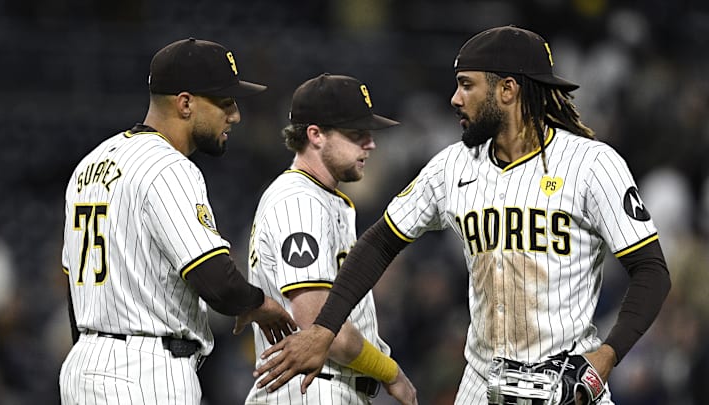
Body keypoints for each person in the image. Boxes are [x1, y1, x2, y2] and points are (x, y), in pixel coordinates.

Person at [252, 26, 672, 404]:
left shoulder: (591, 164)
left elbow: (651, 270)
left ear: (507, 90)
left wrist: (607, 356)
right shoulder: (453, 165)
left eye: (467, 85)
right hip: (481, 385)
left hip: (568, 383)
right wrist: (325, 329)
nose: (455, 98)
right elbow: (380, 241)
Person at [59, 37, 297, 405]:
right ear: (185, 103)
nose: (235, 115)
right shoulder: (169, 167)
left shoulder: (89, 165)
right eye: (224, 102)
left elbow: (72, 286)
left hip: (84, 366)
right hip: (145, 371)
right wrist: (260, 304)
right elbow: (217, 281)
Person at [245, 73, 417, 405]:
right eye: (356, 134)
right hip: (313, 386)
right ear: (316, 134)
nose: (370, 143)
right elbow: (318, 324)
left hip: (324, 386)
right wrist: (390, 371)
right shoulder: (299, 202)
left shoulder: (319, 199)